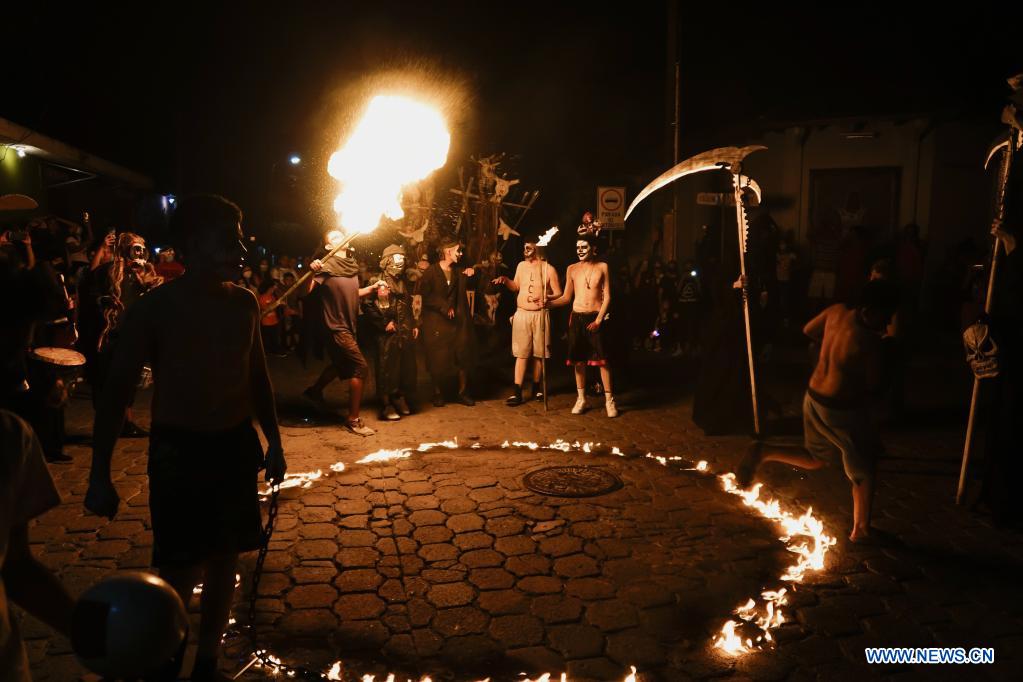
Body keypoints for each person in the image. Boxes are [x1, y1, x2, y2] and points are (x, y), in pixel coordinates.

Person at [85, 194, 286, 682]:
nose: (240, 248)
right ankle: (164, 661)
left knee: (225, 562)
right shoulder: (155, 309)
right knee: (177, 569)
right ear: (193, 245)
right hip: (180, 453)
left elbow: (257, 377)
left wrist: (275, 443)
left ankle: (208, 663)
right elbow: (116, 391)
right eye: (229, 238)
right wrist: (98, 475)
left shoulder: (241, 304)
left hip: (234, 448)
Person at [736, 279, 900, 543]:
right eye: (887, 314)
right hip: (840, 410)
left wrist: (829, 351)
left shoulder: (836, 312)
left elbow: (808, 329)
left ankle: (764, 450)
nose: (889, 321)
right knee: (864, 467)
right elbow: (873, 385)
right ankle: (862, 530)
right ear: (870, 310)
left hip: (812, 397)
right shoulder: (867, 341)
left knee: (815, 457)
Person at [79, 232, 163, 437]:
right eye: (136, 248)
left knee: (129, 381)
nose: (140, 253)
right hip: (109, 335)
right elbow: (90, 296)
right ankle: (105, 427)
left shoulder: (143, 274)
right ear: (125, 249)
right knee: (105, 382)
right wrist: (104, 300)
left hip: (132, 335)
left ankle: (127, 423)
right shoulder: (107, 271)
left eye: (142, 249)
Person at [300, 230, 381, 436]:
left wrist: (372, 288)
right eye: (334, 237)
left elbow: (353, 294)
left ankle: (314, 391)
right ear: (329, 247)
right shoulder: (325, 266)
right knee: (360, 368)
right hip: (335, 326)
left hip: (349, 324)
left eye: (341, 234)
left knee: (339, 365)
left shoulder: (350, 266)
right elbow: (304, 293)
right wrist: (311, 270)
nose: (341, 237)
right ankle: (353, 420)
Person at [547, 235, 617, 417]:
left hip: (595, 318)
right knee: (578, 361)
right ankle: (581, 399)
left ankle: (609, 401)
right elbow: (565, 298)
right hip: (577, 318)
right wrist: (548, 303)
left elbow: (608, 296)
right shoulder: (572, 269)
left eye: (584, 246)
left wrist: (599, 320)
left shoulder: (603, 267)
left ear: (593, 248)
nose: (580, 250)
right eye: (577, 247)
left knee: (603, 361)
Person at [492, 238, 561, 406]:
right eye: (524, 247)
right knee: (521, 354)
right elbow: (516, 286)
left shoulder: (548, 269)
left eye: (529, 247)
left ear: (537, 249)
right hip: (522, 314)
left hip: (540, 315)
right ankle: (517, 392)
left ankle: (536, 388)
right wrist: (505, 280)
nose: (525, 249)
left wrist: (547, 297)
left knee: (539, 354)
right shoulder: (521, 266)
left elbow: (558, 293)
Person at [363, 245, 420, 420]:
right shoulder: (376, 280)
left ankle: (398, 397)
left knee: (404, 367)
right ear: (387, 260)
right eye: (397, 258)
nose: (401, 261)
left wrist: (415, 324)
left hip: (404, 330)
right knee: (385, 367)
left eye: (403, 258)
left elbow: (410, 305)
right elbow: (366, 304)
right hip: (385, 333)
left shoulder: (405, 281)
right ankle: (386, 404)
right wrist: (383, 323)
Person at [419, 239, 477, 407]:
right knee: (437, 358)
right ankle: (438, 393)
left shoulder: (459, 272)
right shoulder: (430, 272)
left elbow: (471, 287)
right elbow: (426, 296)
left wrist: (472, 275)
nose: (461, 254)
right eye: (458, 251)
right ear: (447, 251)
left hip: (458, 322)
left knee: (462, 355)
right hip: (437, 322)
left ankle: (462, 392)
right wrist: (444, 307)